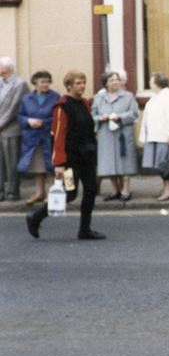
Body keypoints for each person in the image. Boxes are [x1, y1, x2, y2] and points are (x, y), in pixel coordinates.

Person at [25, 70, 104, 240]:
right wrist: (59, 164)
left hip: (86, 157)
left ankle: (85, 229)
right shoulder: (62, 106)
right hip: (70, 160)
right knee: (70, 194)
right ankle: (35, 217)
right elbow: (58, 135)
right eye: (78, 83)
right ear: (69, 85)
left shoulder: (84, 103)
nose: (82, 86)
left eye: (83, 82)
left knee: (91, 190)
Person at [93, 71, 140, 202]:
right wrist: (100, 118)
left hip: (122, 133)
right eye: (111, 80)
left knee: (124, 161)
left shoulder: (128, 96)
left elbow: (134, 114)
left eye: (116, 80)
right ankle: (115, 190)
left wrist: (120, 117)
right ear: (106, 83)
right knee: (109, 162)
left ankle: (125, 190)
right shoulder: (99, 98)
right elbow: (92, 115)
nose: (115, 82)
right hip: (106, 134)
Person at [17, 71, 60, 204]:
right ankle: (39, 193)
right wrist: (29, 121)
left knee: (50, 165)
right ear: (35, 84)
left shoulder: (56, 97)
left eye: (48, 81)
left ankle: (51, 192)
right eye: (42, 82)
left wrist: (45, 122)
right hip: (32, 137)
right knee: (37, 166)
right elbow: (20, 116)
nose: (46, 84)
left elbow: (59, 116)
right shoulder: (26, 98)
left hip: (48, 135)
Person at [139, 72, 169, 201]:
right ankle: (166, 188)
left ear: (157, 83)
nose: (149, 84)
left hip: (165, 138)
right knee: (162, 165)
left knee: (167, 165)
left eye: (151, 82)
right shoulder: (156, 96)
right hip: (155, 136)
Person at [0, 56, 29, 201]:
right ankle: (0, 191)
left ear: (6, 68)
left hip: (11, 128)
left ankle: (13, 191)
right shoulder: (1, 82)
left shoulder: (20, 84)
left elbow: (14, 107)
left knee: (12, 161)